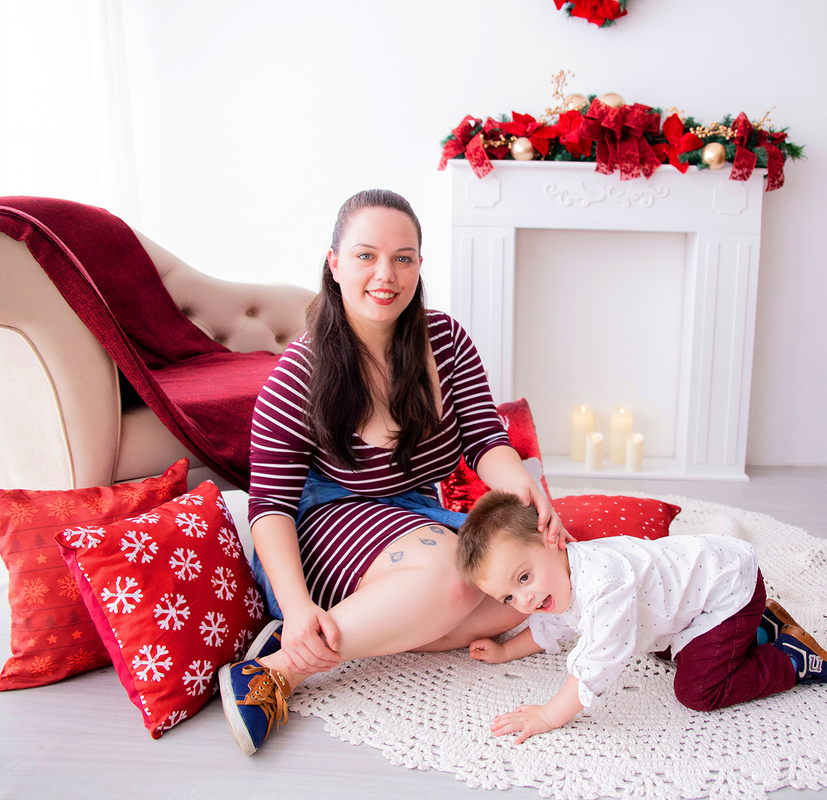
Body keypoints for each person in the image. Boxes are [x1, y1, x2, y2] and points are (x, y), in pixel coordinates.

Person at [219, 189, 568, 756]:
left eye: (403, 257)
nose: (386, 274)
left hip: (415, 513)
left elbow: (484, 440)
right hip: (328, 518)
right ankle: (278, 669)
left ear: (419, 266)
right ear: (334, 264)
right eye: (366, 256)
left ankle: (392, 616)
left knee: (537, 583)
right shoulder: (296, 375)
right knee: (458, 578)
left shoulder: (447, 341)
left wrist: (520, 484)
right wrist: (300, 604)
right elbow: (270, 509)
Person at [455, 490, 827, 745]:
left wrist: (547, 717)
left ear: (551, 540)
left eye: (524, 578)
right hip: (700, 593)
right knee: (659, 649)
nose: (525, 599)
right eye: (509, 596)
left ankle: (791, 656)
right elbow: (549, 626)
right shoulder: (558, 579)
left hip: (725, 589)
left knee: (697, 690)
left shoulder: (603, 583)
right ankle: (757, 629)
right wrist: (506, 653)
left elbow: (597, 665)